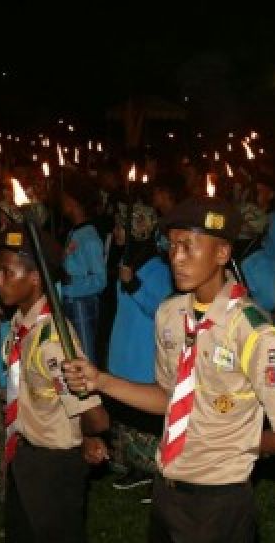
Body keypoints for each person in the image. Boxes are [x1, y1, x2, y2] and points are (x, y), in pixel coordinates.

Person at [62, 196, 275, 543]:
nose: (176, 257)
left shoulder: (253, 333)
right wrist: (100, 380)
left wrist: (240, 443)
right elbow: (167, 397)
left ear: (222, 254)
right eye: (173, 245)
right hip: (168, 487)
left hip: (219, 500)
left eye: (189, 247)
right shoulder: (171, 315)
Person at [0, 229, 109, 543]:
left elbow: (96, 417)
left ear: (34, 278)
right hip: (23, 452)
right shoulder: (21, 323)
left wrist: (87, 436)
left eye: (7, 272)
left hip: (52, 466)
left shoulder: (54, 341)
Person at [106, 200, 173, 494]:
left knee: (145, 416)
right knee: (126, 413)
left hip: (142, 353)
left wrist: (134, 285)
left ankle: (154, 470)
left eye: (122, 226)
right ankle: (134, 465)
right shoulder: (127, 260)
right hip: (124, 349)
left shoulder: (157, 267)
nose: (116, 231)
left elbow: (162, 309)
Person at [59, 173, 107, 360]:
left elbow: (100, 279)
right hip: (71, 302)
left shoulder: (89, 237)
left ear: (73, 202)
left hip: (81, 304)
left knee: (84, 356)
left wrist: (70, 284)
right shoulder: (74, 232)